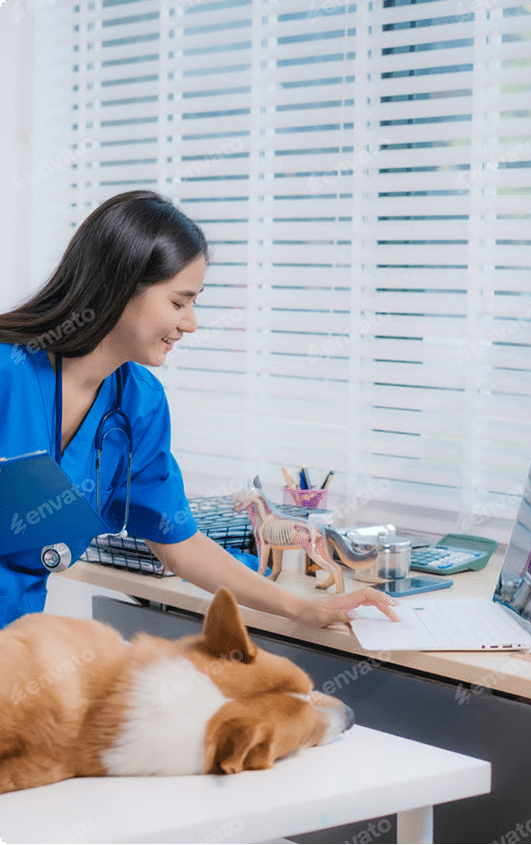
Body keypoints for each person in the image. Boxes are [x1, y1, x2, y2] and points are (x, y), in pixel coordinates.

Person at [0, 190, 399, 630]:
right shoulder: (9, 371)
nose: (190, 323)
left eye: (194, 302)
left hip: (15, 640)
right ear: (118, 288)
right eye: (178, 302)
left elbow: (178, 542)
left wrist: (301, 607)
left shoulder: (139, 404)